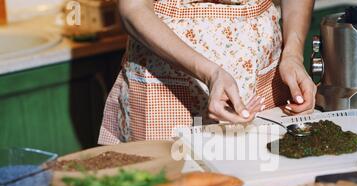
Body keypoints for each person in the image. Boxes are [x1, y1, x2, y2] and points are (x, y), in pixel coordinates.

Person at [99, 0, 317, 144]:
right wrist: (211, 73)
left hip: (262, 71)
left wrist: (293, 55)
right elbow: (133, 8)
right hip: (166, 77)